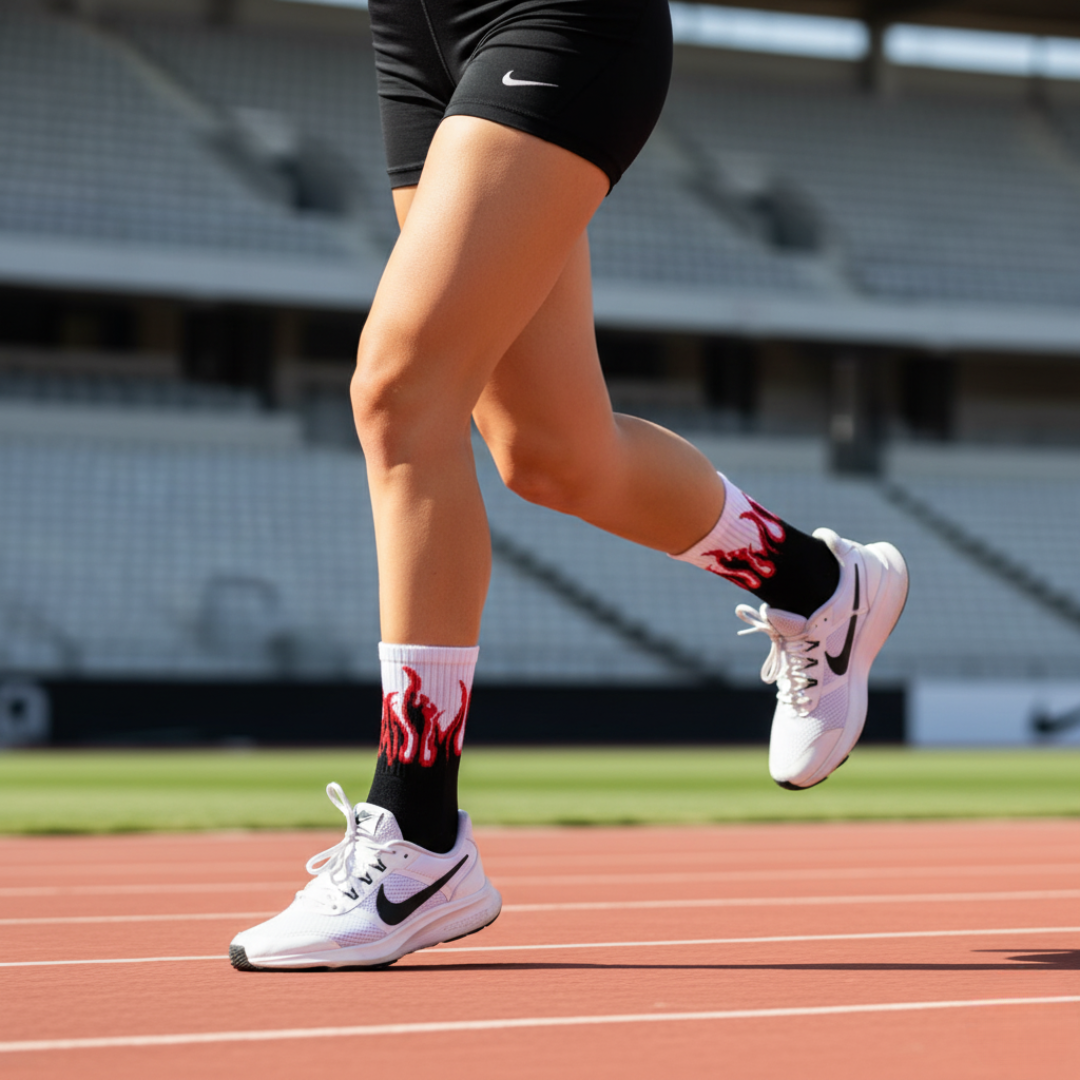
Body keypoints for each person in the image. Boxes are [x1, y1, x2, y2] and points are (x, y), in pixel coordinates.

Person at [229, 0, 908, 972]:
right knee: (552, 453)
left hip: (556, 15)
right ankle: (817, 584)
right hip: (416, 33)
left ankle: (418, 831)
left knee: (400, 393)